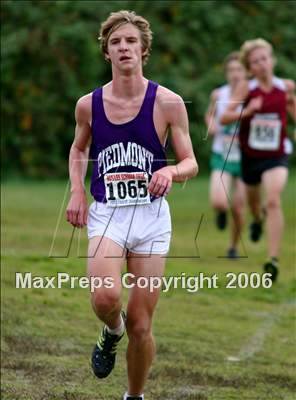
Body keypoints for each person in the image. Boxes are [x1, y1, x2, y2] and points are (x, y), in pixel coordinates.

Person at [66, 10, 198, 400]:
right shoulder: (88, 105)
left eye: (130, 41)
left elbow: (190, 161)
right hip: (108, 213)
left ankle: (134, 396)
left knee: (142, 324)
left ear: (143, 50)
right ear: (107, 53)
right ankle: (111, 330)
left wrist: (171, 173)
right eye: (115, 42)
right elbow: (78, 148)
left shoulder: (169, 102)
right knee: (105, 298)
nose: (123, 47)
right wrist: (77, 191)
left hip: (152, 218)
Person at [220, 38, 295, 281]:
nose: (262, 64)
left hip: (277, 155)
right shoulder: (246, 89)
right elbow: (224, 118)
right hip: (251, 157)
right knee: (255, 205)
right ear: (250, 68)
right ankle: (257, 220)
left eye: (264, 58)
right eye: (255, 62)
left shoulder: (286, 88)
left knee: (272, 199)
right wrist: (249, 110)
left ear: (272, 60)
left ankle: (271, 259)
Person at [205, 52, 247, 258]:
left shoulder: (252, 94)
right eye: (231, 70)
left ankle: (233, 247)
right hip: (222, 154)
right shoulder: (218, 94)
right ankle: (221, 212)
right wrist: (211, 125)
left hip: (245, 158)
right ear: (226, 73)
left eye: (239, 69)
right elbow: (210, 114)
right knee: (219, 202)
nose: (235, 74)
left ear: (246, 72)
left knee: (239, 208)